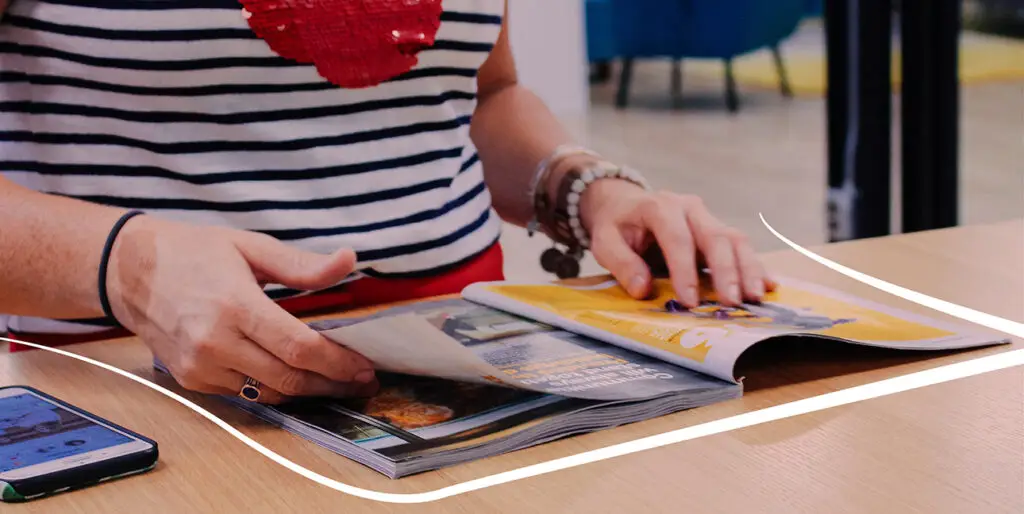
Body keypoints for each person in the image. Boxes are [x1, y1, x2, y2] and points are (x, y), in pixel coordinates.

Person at [0, 0, 776, 405]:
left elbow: (483, 93)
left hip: (470, 381)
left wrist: (585, 190)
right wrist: (128, 266)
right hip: (151, 396)